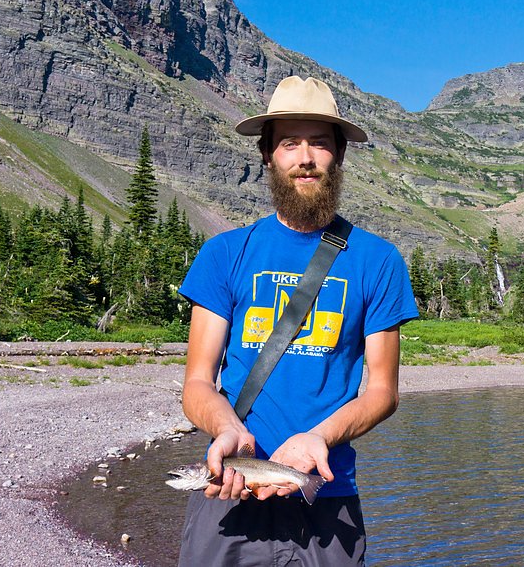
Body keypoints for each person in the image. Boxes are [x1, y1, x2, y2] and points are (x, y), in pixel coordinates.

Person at [176, 75, 419, 566]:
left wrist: (318, 439)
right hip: (231, 495)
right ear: (268, 155)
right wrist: (226, 428)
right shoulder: (224, 254)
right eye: (289, 143)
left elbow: (383, 392)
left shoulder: (378, 260)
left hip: (327, 498)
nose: (305, 157)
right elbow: (198, 383)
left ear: (339, 156)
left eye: (320, 143)